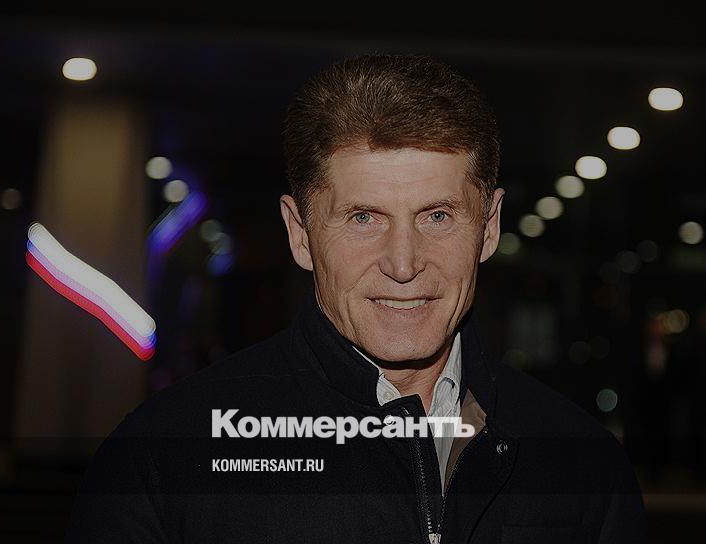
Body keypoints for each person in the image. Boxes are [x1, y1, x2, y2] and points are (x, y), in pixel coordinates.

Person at [66, 54, 646, 543]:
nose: (403, 264)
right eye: (363, 217)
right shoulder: (164, 458)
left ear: (489, 227)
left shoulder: (585, 465)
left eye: (438, 216)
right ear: (300, 234)